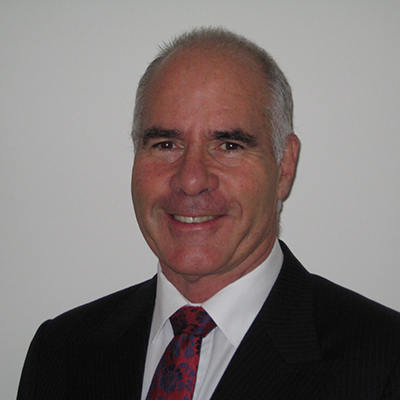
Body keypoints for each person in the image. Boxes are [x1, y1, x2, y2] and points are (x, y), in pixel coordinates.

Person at [17, 27, 400, 400]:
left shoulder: (384, 361)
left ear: (284, 165)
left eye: (229, 145)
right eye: (166, 144)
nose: (191, 180)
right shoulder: (60, 352)